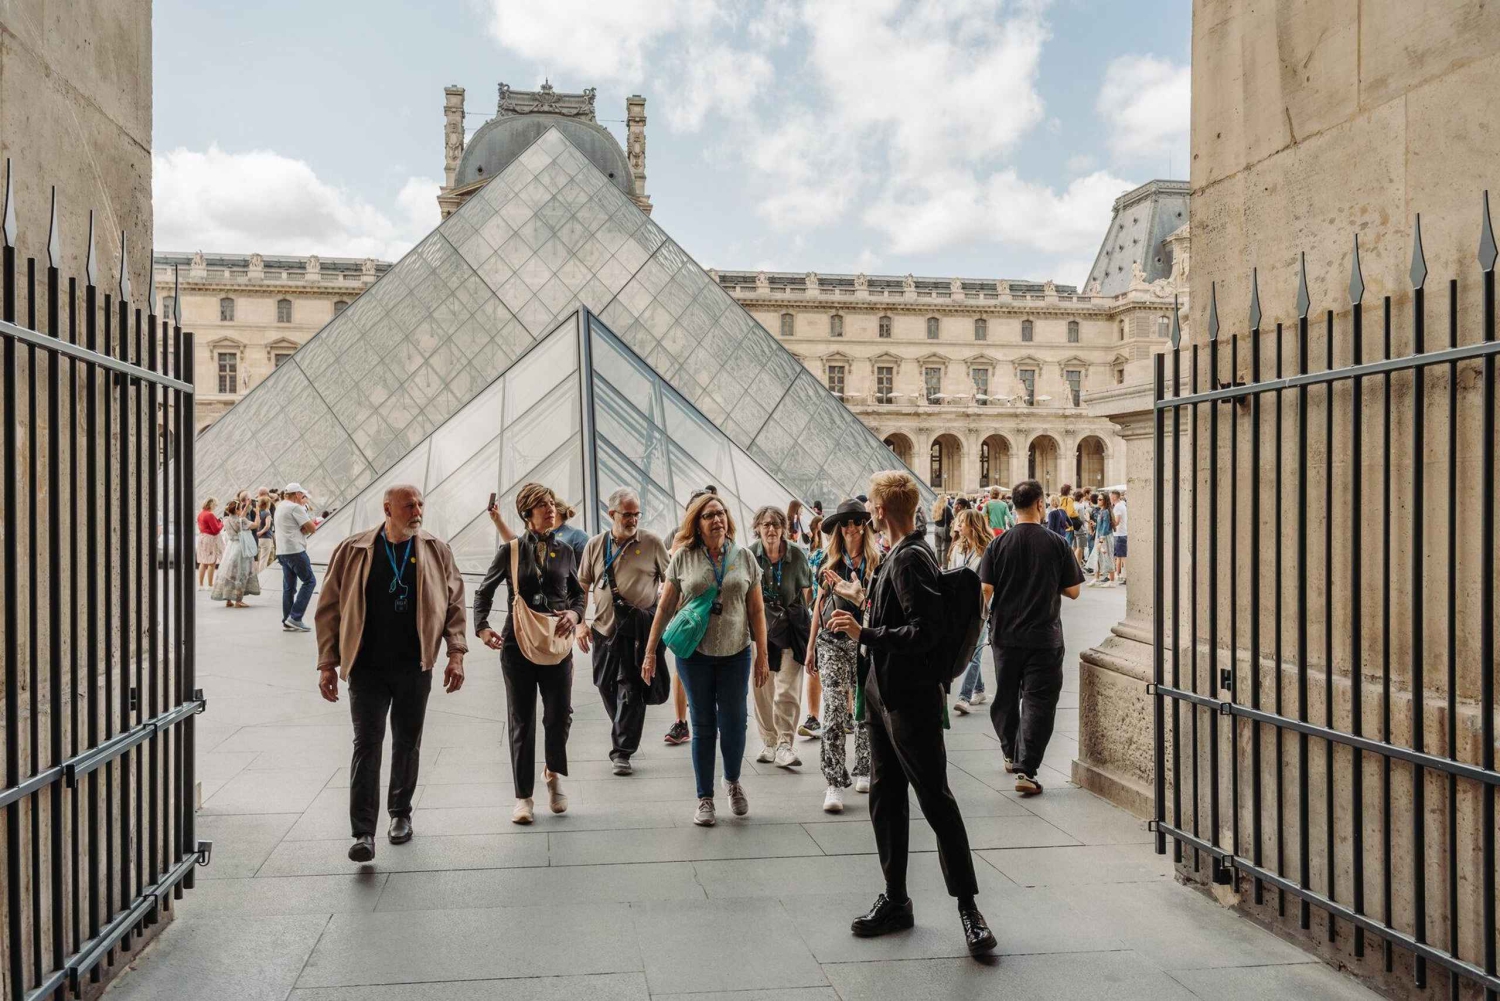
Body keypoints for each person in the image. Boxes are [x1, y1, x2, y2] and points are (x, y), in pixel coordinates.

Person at [826, 470, 995, 956]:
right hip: (884, 693)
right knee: (885, 795)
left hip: (908, 697)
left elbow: (926, 633)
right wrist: (864, 603)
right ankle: (896, 899)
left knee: (935, 800)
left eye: (871, 508)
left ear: (879, 510)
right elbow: (902, 614)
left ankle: (969, 910)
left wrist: (866, 634)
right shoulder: (904, 553)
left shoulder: (909, 558)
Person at [314, 484, 468, 863]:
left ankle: (400, 814)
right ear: (387, 509)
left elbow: (454, 603)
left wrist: (456, 654)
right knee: (366, 744)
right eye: (408, 505)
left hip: (415, 666)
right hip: (365, 667)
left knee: (407, 741)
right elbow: (329, 606)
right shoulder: (353, 549)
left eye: (420, 504)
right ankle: (363, 832)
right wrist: (326, 663)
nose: (417, 510)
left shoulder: (435, 549)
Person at [641, 492, 770, 827]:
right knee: (701, 725)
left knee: (734, 722)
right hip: (694, 655)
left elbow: (756, 609)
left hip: (735, 652)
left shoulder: (744, 558)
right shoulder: (683, 557)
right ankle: (705, 798)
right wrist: (651, 652)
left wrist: (762, 655)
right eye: (709, 515)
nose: (718, 520)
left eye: (721, 513)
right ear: (696, 523)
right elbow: (666, 607)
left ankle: (732, 780)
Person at [474, 484, 586, 825]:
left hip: (556, 643)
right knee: (521, 721)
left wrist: (575, 615)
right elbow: (484, 591)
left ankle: (553, 774)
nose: (550, 509)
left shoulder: (565, 550)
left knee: (558, 715)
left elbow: (579, 594)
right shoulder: (510, 551)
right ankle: (523, 797)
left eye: (551, 503)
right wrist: (482, 627)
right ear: (527, 514)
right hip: (516, 645)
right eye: (541, 505)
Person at [979, 478, 1083, 796]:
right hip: (1044, 636)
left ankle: (1011, 753)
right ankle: (1027, 769)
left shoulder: (998, 545)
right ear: (1040, 504)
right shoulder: (1056, 544)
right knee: (1039, 701)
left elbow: (984, 590)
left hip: (1006, 635)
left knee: (1006, 698)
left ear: (1014, 505)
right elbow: (1074, 591)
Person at [576, 488, 669, 775]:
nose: (633, 519)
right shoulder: (595, 544)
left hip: (638, 632)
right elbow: (581, 586)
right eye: (627, 514)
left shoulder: (652, 543)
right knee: (605, 685)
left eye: (636, 513)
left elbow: (672, 582)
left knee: (630, 689)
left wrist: (662, 613)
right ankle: (624, 728)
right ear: (611, 514)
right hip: (604, 630)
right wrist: (580, 623)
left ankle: (622, 750)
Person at [806, 498, 878, 812]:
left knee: (864, 705)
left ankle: (864, 766)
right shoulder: (827, 562)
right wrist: (810, 648)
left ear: (865, 525)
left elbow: (881, 609)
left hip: (864, 640)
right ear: (838, 528)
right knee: (834, 709)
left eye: (857, 522)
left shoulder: (877, 562)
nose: (851, 528)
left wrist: (861, 600)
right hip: (831, 641)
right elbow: (818, 607)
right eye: (845, 523)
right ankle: (834, 782)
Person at [749, 506, 814, 769]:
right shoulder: (750, 555)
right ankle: (769, 741)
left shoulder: (796, 556)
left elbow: (808, 591)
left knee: (787, 687)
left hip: (789, 629)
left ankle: (785, 743)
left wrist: (792, 614)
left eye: (776, 525)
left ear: (784, 528)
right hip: (759, 631)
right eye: (766, 525)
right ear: (758, 528)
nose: (771, 530)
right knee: (763, 688)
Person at [947, 508, 992, 715]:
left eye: (962, 521)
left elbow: (989, 583)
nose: (958, 524)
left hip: (980, 608)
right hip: (959, 607)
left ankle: (964, 697)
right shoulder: (957, 548)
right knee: (971, 649)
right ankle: (980, 689)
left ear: (972, 525)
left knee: (974, 650)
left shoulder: (987, 550)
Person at [275, 483, 320, 633]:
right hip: (295, 550)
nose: (302, 497)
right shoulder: (295, 507)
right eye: (301, 494)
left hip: (282, 551)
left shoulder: (280, 506)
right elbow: (312, 528)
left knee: (289, 587)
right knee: (310, 581)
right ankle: (295, 617)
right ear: (296, 494)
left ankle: (287, 620)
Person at [210, 500, 261, 607]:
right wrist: (257, 513)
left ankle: (228, 600)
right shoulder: (242, 521)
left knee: (229, 572)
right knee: (240, 573)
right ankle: (238, 600)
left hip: (230, 547)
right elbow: (256, 525)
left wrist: (246, 507)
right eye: (240, 509)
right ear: (237, 510)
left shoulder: (226, 520)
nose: (242, 510)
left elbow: (238, 518)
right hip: (240, 548)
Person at [195, 498, 223, 589]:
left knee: (203, 562)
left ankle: (201, 585)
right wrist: (221, 523)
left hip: (202, 538)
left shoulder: (200, 514)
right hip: (210, 539)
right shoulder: (210, 514)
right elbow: (216, 530)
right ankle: (210, 585)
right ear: (211, 504)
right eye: (215, 505)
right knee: (211, 562)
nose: (215, 507)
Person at [1090, 491, 1115, 587]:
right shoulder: (1102, 511)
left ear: (1105, 501)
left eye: (1100, 499)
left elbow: (1105, 527)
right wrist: (1095, 525)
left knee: (1107, 557)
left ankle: (1111, 580)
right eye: (1098, 499)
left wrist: (1101, 541)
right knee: (1097, 557)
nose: (1098, 500)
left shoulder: (1105, 512)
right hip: (1100, 536)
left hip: (1104, 538)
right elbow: (1102, 526)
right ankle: (1096, 578)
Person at [251, 494, 276, 572]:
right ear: (266, 504)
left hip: (260, 539)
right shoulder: (267, 514)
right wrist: (261, 532)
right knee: (264, 559)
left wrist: (259, 533)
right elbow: (268, 526)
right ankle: (262, 575)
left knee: (260, 558)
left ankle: (259, 573)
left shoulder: (258, 513)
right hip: (266, 537)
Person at [1111, 489, 1128, 584]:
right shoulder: (1122, 505)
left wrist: (1109, 525)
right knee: (1120, 556)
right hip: (1121, 533)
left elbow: (1116, 521)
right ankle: (1120, 575)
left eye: (1110, 496)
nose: (1110, 498)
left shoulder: (1117, 507)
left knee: (1122, 556)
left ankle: (1123, 576)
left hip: (1119, 534)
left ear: (1114, 497)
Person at [931, 493, 952, 566]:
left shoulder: (935, 506)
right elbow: (952, 519)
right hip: (944, 529)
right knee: (944, 549)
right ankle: (945, 566)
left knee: (938, 548)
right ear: (945, 499)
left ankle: (938, 565)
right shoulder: (947, 508)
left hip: (936, 528)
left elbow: (933, 518)